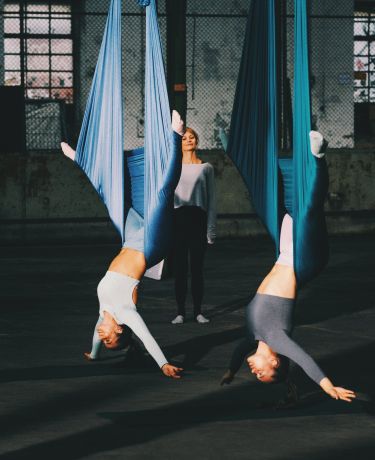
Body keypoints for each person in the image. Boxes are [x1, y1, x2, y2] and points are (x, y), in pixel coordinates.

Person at [220, 131, 356, 403]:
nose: (255, 373)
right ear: (276, 362)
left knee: (269, 203)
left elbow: (238, 351)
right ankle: (318, 156)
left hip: (285, 254)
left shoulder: (254, 337)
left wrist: (231, 371)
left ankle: (239, 149)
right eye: (263, 375)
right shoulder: (277, 338)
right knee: (308, 210)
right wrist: (327, 386)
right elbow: (304, 360)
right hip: (306, 261)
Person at [61, 111, 184, 379]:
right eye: (109, 341)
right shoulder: (126, 313)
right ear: (118, 330)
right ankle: (176, 135)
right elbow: (147, 337)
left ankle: (79, 159)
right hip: (151, 245)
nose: (102, 337)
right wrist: (163, 364)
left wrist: (94, 353)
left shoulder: (103, 312)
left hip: (130, 239)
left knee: (113, 197)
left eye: (103, 343)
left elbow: (97, 331)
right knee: (163, 191)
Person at [171, 127, 216, 325]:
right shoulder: (172, 167)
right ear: (179, 144)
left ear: (196, 141)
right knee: (179, 269)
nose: (188, 140)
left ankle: (198, 311)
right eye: (184, 138)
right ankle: (180, 312)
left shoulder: (206, 168)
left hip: (198, 220)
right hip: (177, 221)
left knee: (197, 269)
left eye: (192, 137)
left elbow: (212, 200)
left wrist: (210, 230)